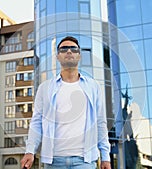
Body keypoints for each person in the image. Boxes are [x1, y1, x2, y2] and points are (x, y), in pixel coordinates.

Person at [20, 36, 111, 169]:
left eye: (73, 49)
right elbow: (37, 122)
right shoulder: (45, 88)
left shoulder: (93, 87)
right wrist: (30, 150)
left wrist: (105, 157)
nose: (69, 51)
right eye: (63, 49)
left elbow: (100, 122)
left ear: (79, 55)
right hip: (53, 162)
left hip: (85, 161)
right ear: (58, 56)